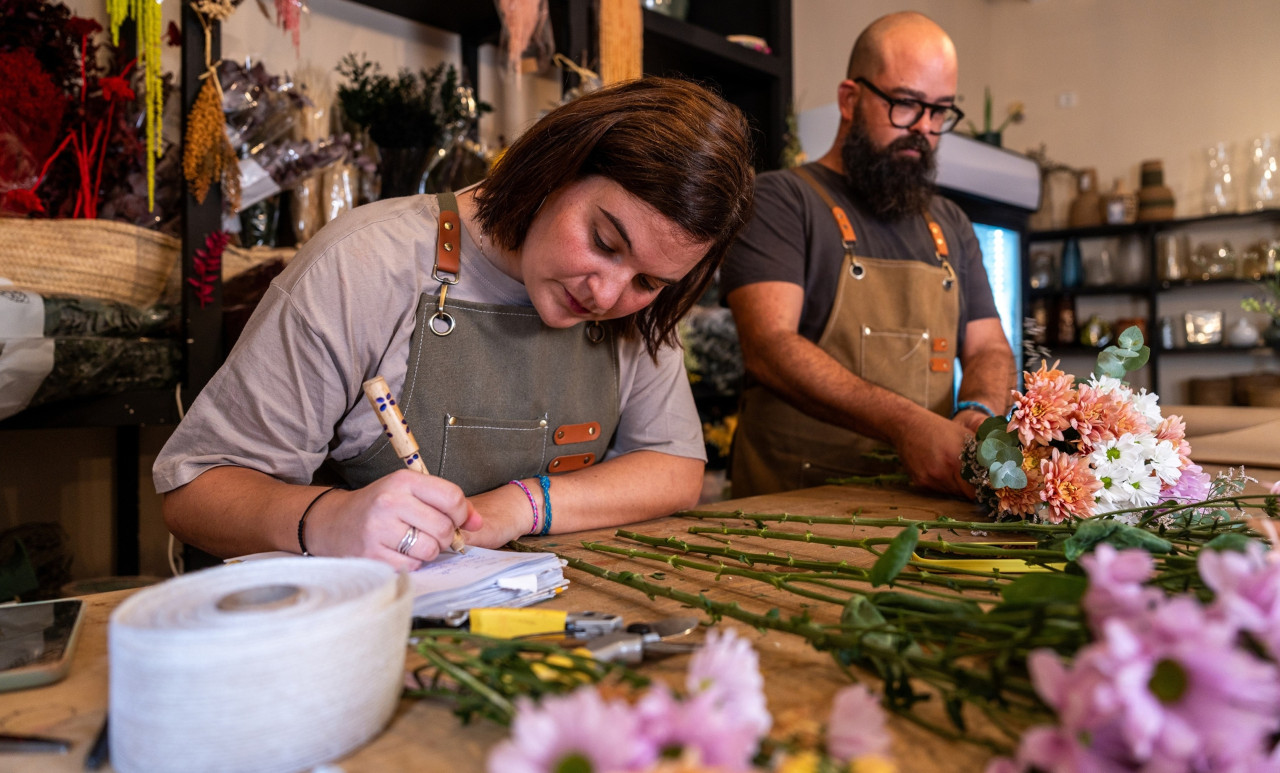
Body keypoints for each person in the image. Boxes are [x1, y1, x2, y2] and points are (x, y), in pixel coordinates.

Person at [154, 77, 755, 569]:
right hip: (362, 632)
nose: (606, 294)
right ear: (557, 167)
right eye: (603, 241)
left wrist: (520, 506)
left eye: (649, 282)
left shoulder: (633, 305)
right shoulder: (367, 262)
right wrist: (332, 518)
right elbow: (196, 491)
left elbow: (674, 470)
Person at [720, 11, 1016, 499]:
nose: (923, 128)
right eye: (905, 104)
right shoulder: (780, 199)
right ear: (849, 99)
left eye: (939, 111)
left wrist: (979, 411)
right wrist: (905, 425)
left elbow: (988, 347)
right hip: (790, 515)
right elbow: (769, 347)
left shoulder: (951, 223)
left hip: (921, 507)